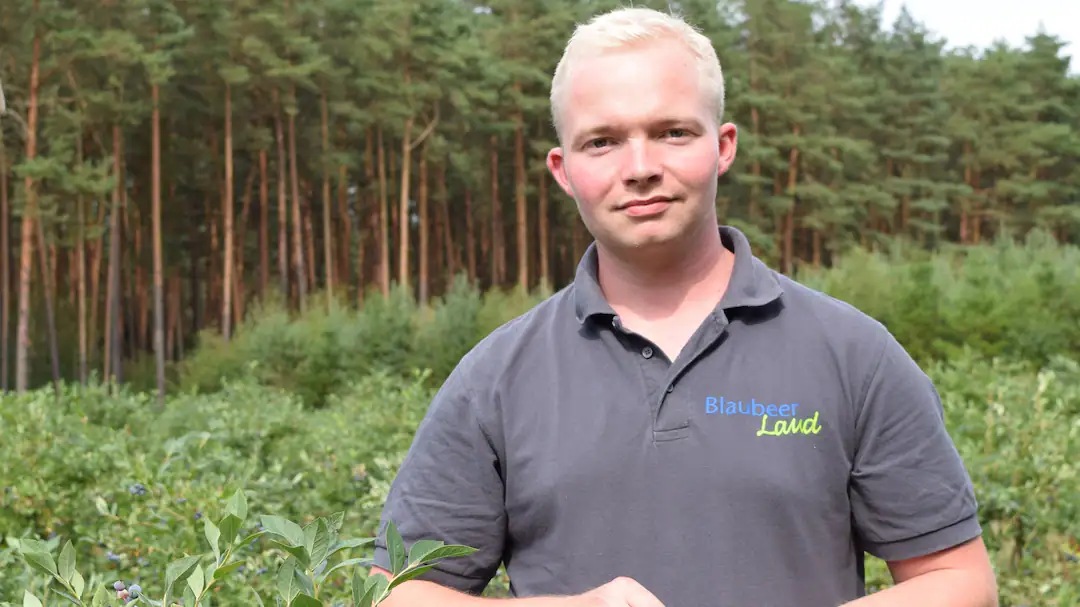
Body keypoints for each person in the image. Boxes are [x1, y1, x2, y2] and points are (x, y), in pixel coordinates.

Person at [369, 6, 998, 607]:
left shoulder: (852, 354)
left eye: (672, 132)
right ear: (562, 170)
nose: (640, 168)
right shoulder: (495, 379)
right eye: (603, 142)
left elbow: (959, 581)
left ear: (722, 146)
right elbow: (389, 591)